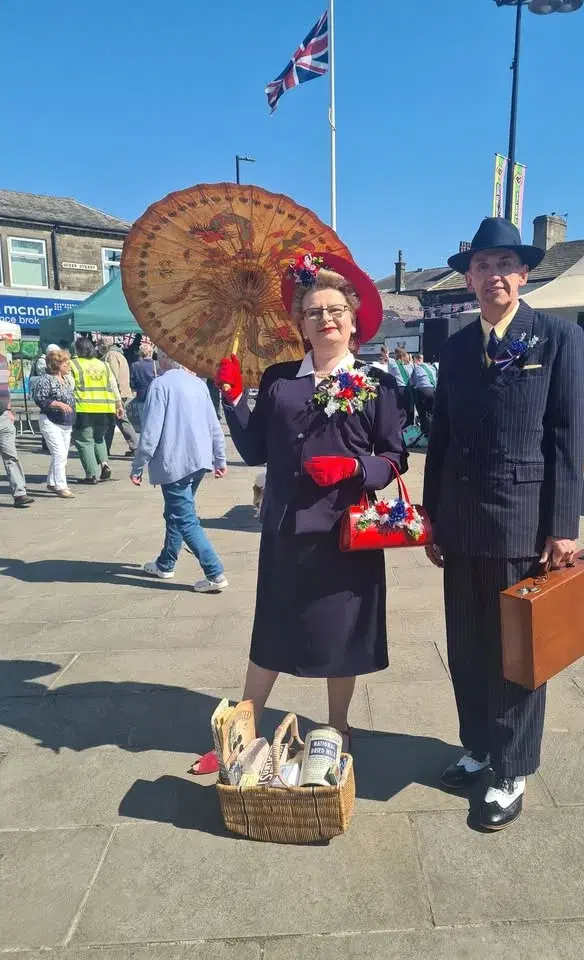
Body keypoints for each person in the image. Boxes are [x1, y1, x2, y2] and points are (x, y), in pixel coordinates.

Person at [189, 252, 406, 776]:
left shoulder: (377, 384)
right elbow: (256, 448)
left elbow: (394, 456)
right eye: (314, 312)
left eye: (335, 310)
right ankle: (242, 734)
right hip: (286, 530)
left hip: (348, 533)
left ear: (353, 321)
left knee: (343, 635)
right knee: (272, 630)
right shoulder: (283, 379)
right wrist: (235, 398)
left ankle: (336, 729)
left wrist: (356, 469)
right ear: (300, 323)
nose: (325, 319)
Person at [423, 217, 584, 831]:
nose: (494, 275)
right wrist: (430, 517)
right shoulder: (458, 347)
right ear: (468, 277)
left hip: (523, 523)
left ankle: (513, 765)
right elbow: (439, 439)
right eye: (482, 265)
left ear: (524, 274)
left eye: (504, 265)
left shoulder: (559, 339)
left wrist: (563, 526)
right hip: (461, 525)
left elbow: (568, 440)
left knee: (517, 654)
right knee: (466, 647)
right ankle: (479, 746)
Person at [130, 350, 228, 593]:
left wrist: (138, 464)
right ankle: (166, 562)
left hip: (174, 463)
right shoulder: (199, 385)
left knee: (185, 519)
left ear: (164, 359)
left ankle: (214, 572)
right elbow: (214, 425)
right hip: (198, 461)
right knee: (175, 512)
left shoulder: (160, 385)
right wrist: (220, 458)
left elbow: (150, 432)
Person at [70, 337, 122, 484]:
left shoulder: (73, 365)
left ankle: (91, 475)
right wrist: (118, 405)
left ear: (77, 350)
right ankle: (104, 464)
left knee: (84, 441)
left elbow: (69, 385)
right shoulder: (104, 365)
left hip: (84, 408)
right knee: (99, 438)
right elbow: (113, 386)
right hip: (105, 408)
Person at [32, 348, 76, 498]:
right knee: (59, 453)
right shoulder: (46, 379)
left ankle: (51, 482)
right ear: (57, 365)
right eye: (66, 363)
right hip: (50, 420)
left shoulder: (65, 379)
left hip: (66, 422)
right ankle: (61, 486)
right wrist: (58, 404)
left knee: (62, 453)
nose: (69, 366)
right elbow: (40, 399)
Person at [0, 337, 34, 507]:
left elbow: (4, 387)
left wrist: (9, 408)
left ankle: (20, 493)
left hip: (4, 417)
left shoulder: (2, 360)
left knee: (11, 456)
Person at [99, 338, 138, 457]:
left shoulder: (111, 355)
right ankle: (106, 449)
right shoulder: (119, 354)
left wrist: (115, 396)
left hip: (117, 393)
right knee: (115, 420)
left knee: (119, 420)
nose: (97, 348)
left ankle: (135, 447)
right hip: (123, 392)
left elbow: (112, 376)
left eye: (99, 345)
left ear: (104, 345)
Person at [129, 342, 158, 426]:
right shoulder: (157, 364)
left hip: (141, 395)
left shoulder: (135, 365)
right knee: (155, 422)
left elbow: (132, 382)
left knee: (144, 422)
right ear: (151, 352)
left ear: (140, 353)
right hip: (154, 396)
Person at [410, 352, 438, 436]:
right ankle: (434, 433)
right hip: (433, 390)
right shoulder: (432, 368)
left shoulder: (417, 368)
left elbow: (412, 382)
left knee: (422, 413)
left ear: (418, 360)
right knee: (432, 413)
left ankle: (426, 433)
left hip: (423, 391)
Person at [389, 348, 414, 427]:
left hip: (399, 389)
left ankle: (401, 430)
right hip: (409, 389)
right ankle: (410, 431)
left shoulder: (393, 364)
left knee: (400, 411)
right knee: (409, 412)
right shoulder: (410, 366)